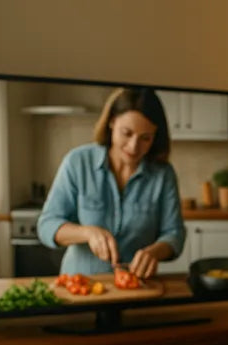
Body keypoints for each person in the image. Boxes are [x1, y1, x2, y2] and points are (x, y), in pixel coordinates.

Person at [37, 87, 185, 278]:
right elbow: (47, 225)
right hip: (80, 284)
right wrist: (87, 233)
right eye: (127, 133)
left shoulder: (163, 174)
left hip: (137, 285)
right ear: (112, 122)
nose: (134, 146)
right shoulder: (77, 162)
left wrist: (155, 252)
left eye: (145, 138)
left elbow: (174, 234)